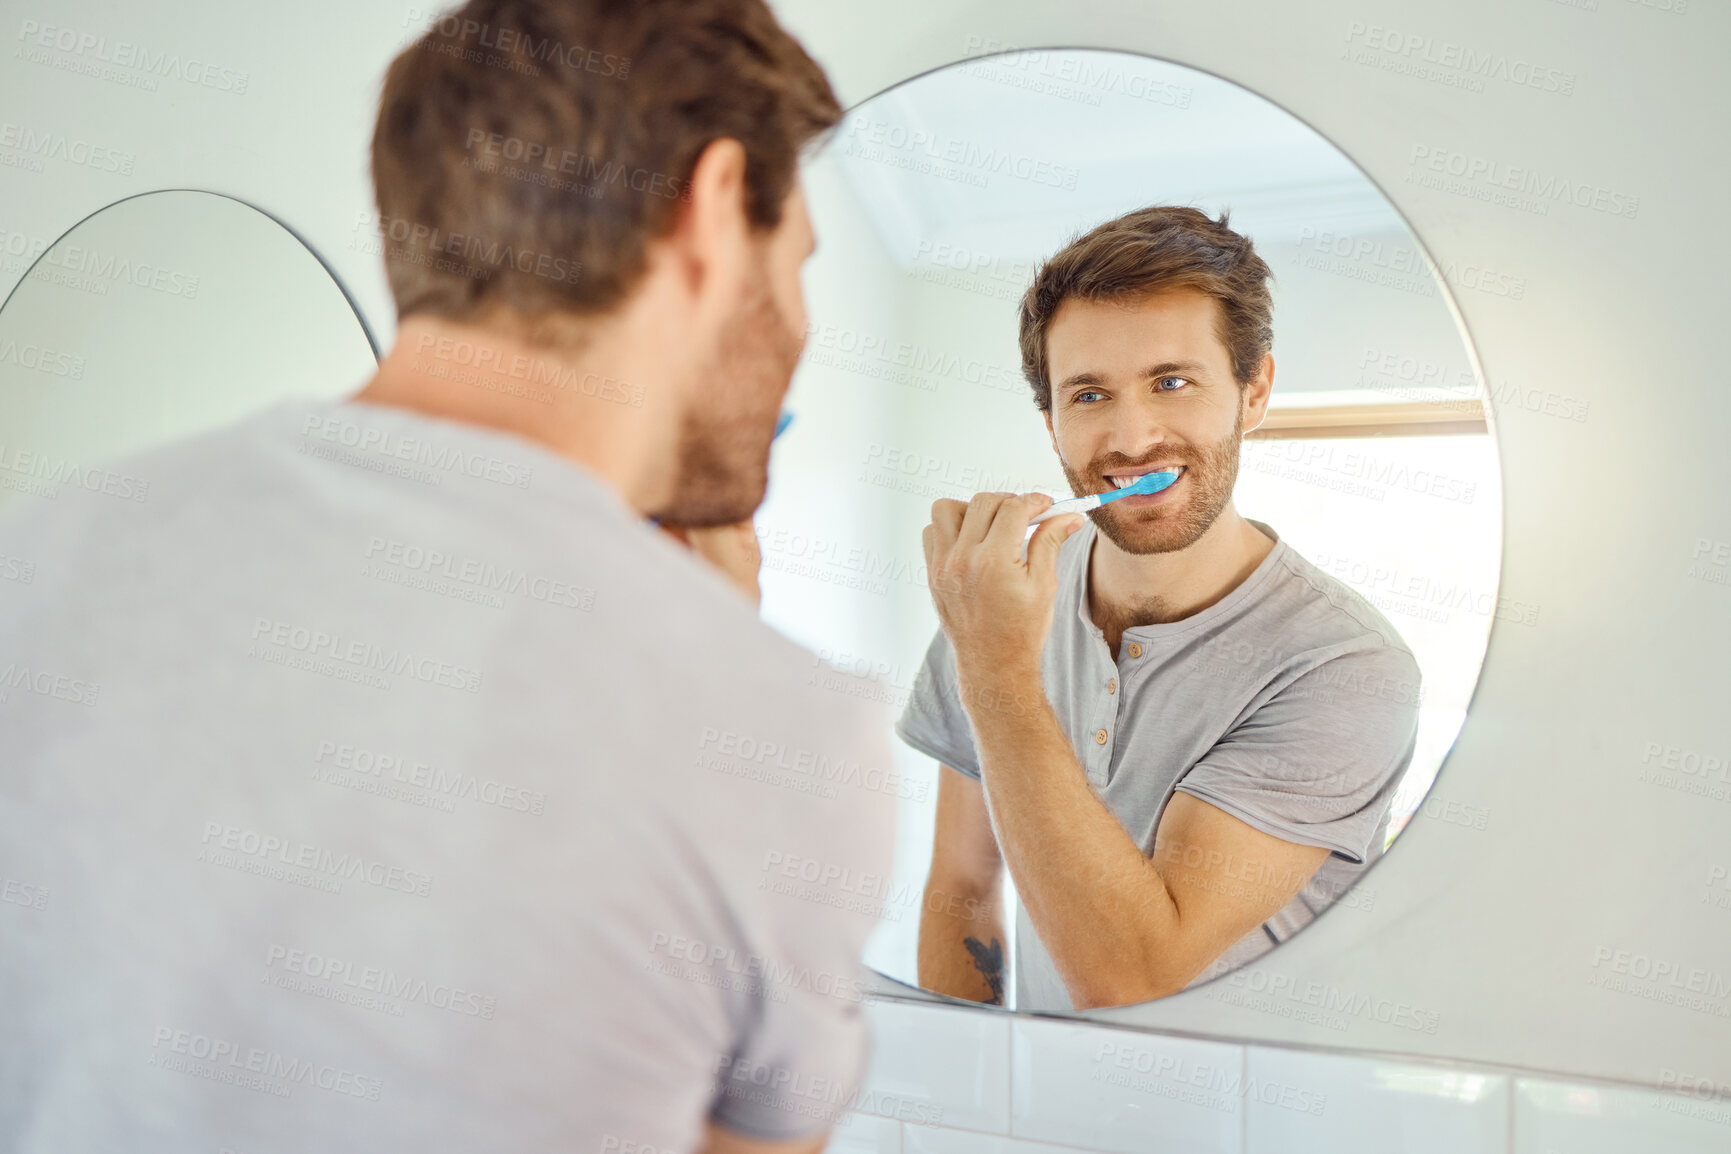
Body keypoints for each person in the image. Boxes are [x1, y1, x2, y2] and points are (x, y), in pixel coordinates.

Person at [0, 1, 896, 1150]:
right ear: (717, 206)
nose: (805, 321)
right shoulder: (787, 734)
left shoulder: (42, 556)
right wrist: (714, 658)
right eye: (802, 260)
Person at [896, 206, 1423, 1013]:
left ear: (1254, 393)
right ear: (1051, 425)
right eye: (1088, 395)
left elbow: (1132, 975)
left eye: (1171, 382)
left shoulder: (1345, 667)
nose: (1131, 437)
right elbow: (963, 886)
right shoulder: (993, 603)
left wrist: (997, 672)